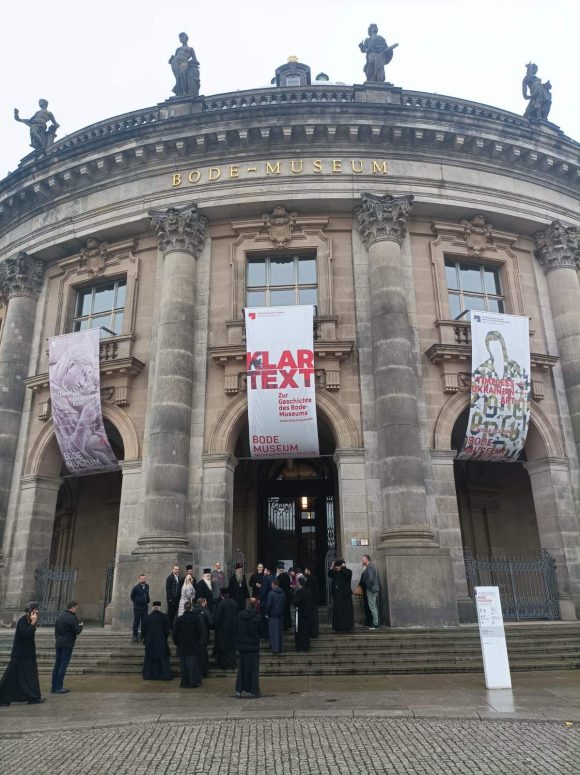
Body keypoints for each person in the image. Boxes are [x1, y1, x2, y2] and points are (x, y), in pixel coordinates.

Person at [0, 602, 44, 706]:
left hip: (28, 655)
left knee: (30, 676)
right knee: (11, 676)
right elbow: (26, 634)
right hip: (19, 655)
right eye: (35, 611)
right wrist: (33, 623)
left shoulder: (29, 620)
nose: (37, 613)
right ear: (30, 611)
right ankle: (2, 698)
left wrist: (33, 623)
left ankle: (33, 697)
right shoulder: (22, 621)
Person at [51, 600, 83, 694]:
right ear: (73, 607)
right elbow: (77, 631)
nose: (76, 609)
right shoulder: (72, 618)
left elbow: (56, 631)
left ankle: (54, 687)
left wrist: (58, 639)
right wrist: (81, 626)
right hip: (68, 643)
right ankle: (59, 687)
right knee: (63, 665)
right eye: (76, 608)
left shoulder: (60, 616)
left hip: (59, 642)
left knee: (57, 664)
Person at [235, 598, 262, 698]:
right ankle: (254, 690)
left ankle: (238, 690)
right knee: (254, 670)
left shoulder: (240, 616)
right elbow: (259, 631)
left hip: (242, 646)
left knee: (241, 669)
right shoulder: (256, 617)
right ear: (255, 606)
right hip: (252, 646)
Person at [173, 601, 202, 688]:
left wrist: (177, 643)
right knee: (192, 665)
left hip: (182, 645)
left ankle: (185, 682)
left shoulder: (179, 619)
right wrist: (196, 641)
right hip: (192, 644)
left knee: (183, 665)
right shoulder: (196, 618)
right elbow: (199, 632)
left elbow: (175, 633)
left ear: (184, 608)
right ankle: (192, 682)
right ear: (191, 608)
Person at [142, 602, 172, 681]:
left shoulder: (147, 617)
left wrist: (145, 639)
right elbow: (166, 631)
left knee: (150, 659)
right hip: (161, 641)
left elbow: (143, 630)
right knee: (162, 658)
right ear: (159, 608)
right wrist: (164, 638)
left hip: (150, 642)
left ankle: (148, 675)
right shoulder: (164, 617)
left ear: (153, 608)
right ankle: (164, 675)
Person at [169, 32, 200, 97]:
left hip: (184, 62)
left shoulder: (190, 49)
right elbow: (175, 56)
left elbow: (195, 59)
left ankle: (185, 92)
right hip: (175, 61)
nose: (181, 39)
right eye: (180, 38)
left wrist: (191, 64)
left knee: (182, 74)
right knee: (178, 77)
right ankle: (179, 93)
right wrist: (171, 59)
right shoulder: (178, 49)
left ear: (186, 38)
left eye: (182, 37)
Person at [214, 589, 238, 670]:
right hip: (233, 629)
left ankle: (224, 666)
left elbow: (218, 618)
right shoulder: (234, 603)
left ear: (222, 595)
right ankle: (233, 665)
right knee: (232, 649)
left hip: (223, 630)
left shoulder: (221, 604)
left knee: (224, 649)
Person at [328, 560, 354, 632]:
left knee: (346, 612)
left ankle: (347, 626)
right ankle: (338, 626)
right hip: (337, 596)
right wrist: (332, 567)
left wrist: (342, 568)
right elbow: (330, 574)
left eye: (337, 567)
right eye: (336, 567)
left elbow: (347, 574)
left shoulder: (348, 571)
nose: (336, 569)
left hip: (345, 596)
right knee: (338, 612)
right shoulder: (336, 573)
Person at [193, 598, 214, 678]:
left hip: (195, 638)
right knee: (203, 656)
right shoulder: (206, 611)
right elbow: (211, 623)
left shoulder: (193, 611)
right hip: (203, 636)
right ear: (203, 603)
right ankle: (203, 672)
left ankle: (196, 672)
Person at [265, 579, 285, 655]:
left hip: (273, 615)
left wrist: (266, 613)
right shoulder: (283, 593)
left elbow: (269, 605)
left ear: (273, 584)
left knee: (273, 632)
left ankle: (275, 648)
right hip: (280, 614)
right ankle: (280, 648)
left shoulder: (271, 593)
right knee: (279, 633)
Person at [293, 577, 313, 652]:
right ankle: (306, 646)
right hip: (308, 614)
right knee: (306, 631)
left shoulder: (299, 592)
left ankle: (300, 646)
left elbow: (296, 602)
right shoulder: (309, 591)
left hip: (301, 614)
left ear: (299, 583)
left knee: (300, 631)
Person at [361, 554, 380, 629]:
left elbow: (371, 579)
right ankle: (376, 622)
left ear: (367, 559)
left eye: (363, 559)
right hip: (372, 589)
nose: (362, 560)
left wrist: (368, 587)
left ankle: (375, 623)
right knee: (373, 606)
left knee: (372, 606)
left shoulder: (370, 567)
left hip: (371, 589)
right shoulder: (369, 567)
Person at [130, 573, 150, 642]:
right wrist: (136, 602)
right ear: (139, 579)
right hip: (138, 608)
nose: (143, 579)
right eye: (142, 578)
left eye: (144, 578)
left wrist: (147, 600)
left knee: (144, 622)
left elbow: (147, 594)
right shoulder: (136, 588)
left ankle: (143, 636)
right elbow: (132, 596)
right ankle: (135, 636)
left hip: (145, 607)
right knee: (136, 622)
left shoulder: (147, 586)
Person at [165, 564, 183, 630]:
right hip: (172, 600)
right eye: (176, 569)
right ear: (172, 570)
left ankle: (174, 628)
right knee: (170, 615)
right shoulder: (169, 578)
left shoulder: (179, 578)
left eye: (178, 569)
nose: (177, 570)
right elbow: (168, 590)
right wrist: (170, 600)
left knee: (176, 615)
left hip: (177, 600)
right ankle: (169, 628)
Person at [275, 563, 292, 631]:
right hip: (287, 596)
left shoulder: (280, 576)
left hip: (281, 597)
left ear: (278, 570)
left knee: (283, 611)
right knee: (287, 611)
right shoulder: (287, 576)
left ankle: (284, 626)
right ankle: (288, 625)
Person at [304, 567, 320, 638]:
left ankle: (313, 633)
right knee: (314, 618)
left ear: (309, 571)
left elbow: (309, 591)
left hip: (312, 601)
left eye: (305, 570)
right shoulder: (312, 578)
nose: (304, 571)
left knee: (313, 618)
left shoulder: (310, 578)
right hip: (314, 601)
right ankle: (314, 632)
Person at [259, 568, 273, 638]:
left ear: (268, 572)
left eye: (265, 570)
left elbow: (263, 591)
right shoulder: (272, 578)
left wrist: (260, 599)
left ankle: (264, 634)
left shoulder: (266, 579)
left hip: (264, 602)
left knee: (264, 619)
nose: (263, 571)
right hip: (269, 601)